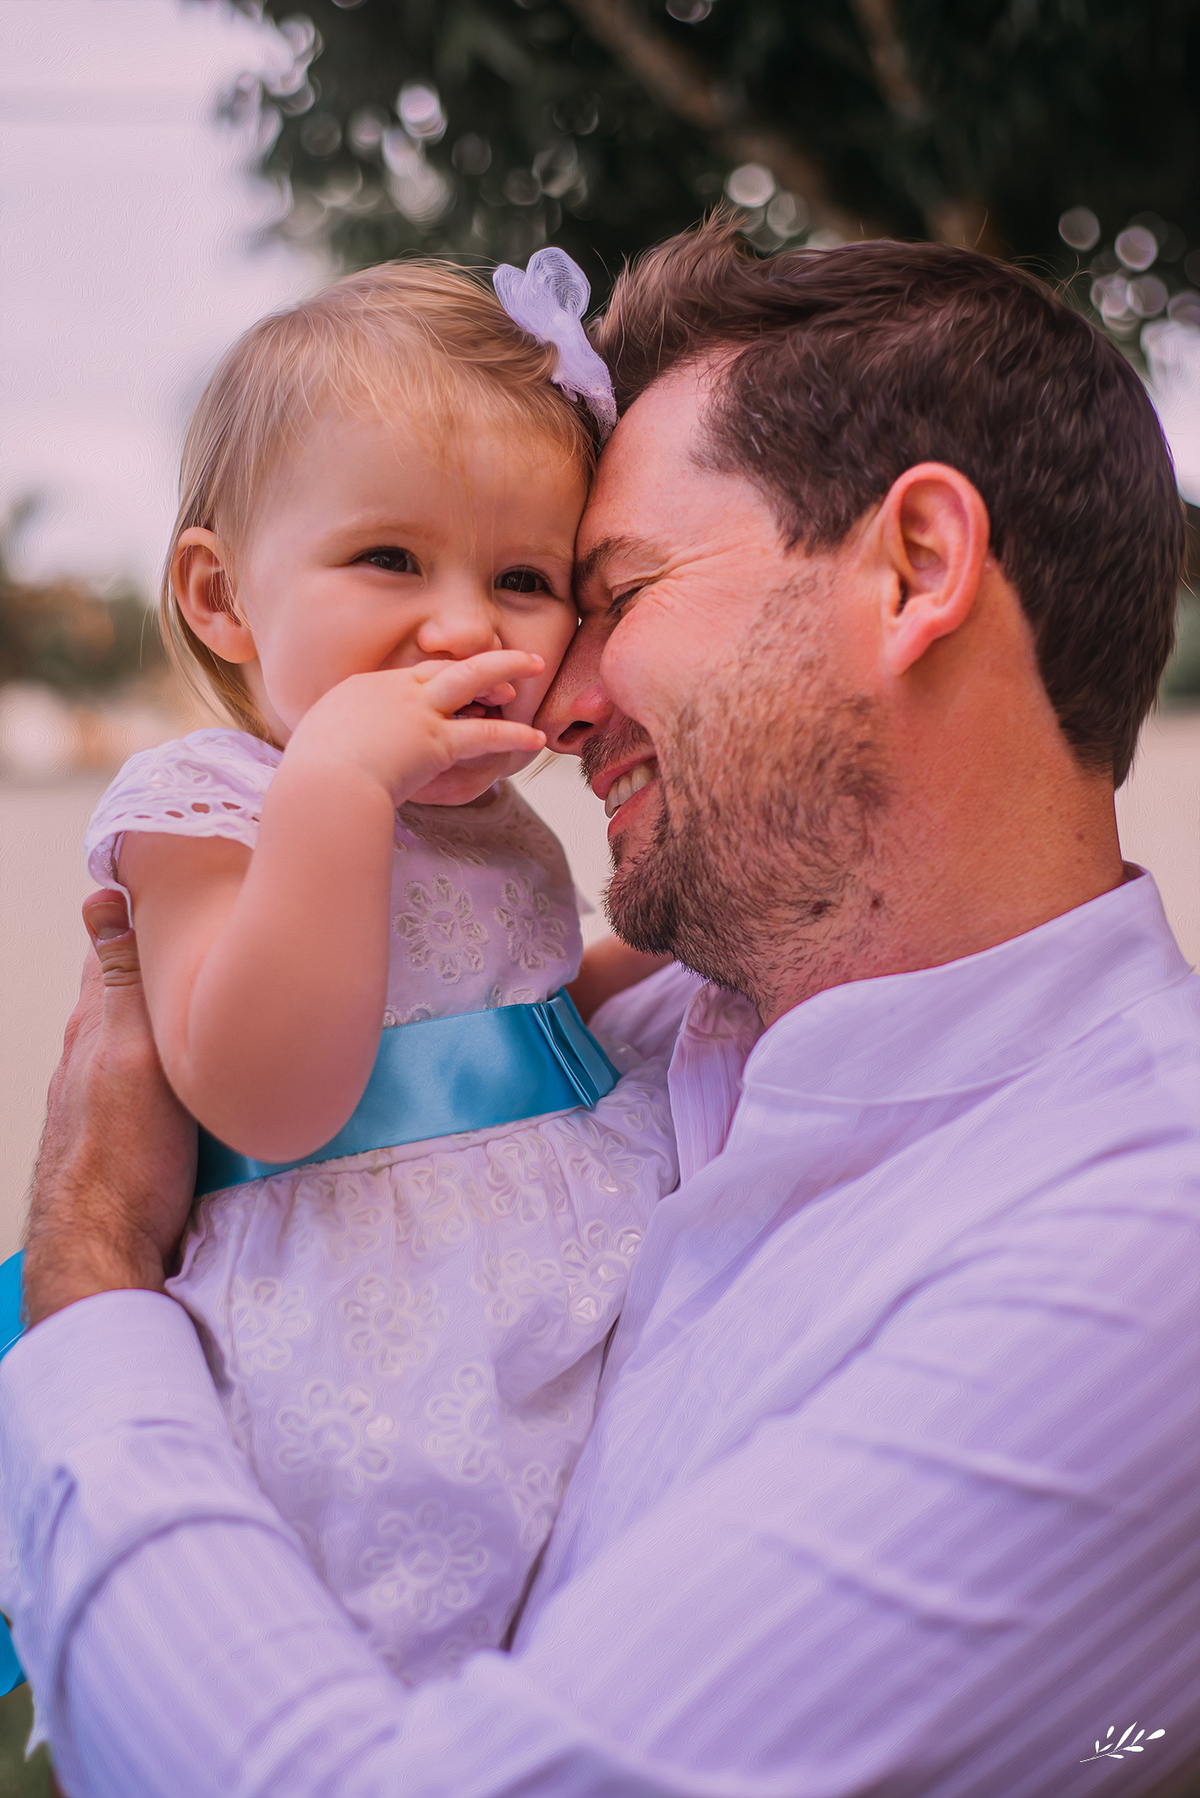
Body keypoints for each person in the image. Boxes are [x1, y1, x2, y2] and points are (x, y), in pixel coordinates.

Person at [3, 221, 1199, 1798]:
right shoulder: (670, 1028)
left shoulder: (1132, 1252)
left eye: (599, 590)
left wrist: (91, 1291)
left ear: (913, 570)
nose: (548, 692)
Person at [12, 251, 678, 1685]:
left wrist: (655, 961)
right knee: (386, 1672)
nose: (462, 625)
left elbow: (511, 1008)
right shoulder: (206, 804)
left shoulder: (493, 818)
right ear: (220, 595)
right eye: (390, 558)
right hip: (371, 1354)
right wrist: (336, 791)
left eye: (524, 579)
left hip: (560, 1306)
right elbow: (267, 1094)